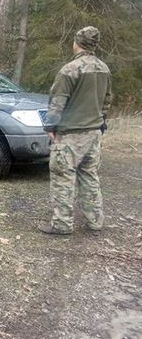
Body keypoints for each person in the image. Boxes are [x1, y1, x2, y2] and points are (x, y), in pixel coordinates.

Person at [40, 26, 112, 235]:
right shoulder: (103, 68)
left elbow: (57, 101)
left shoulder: (71, 69)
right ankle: (95, 220)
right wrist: (101, 121)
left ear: (77, 43)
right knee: (90, 176)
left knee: (63, 177)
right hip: (93, 133)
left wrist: (50, 126)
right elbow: (107, 99)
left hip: (71, 134)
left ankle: (62, 224)